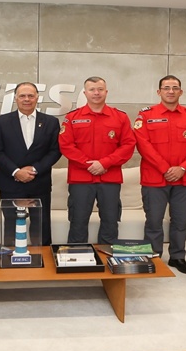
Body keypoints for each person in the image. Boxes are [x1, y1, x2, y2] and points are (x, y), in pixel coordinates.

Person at [133, 75, 186, 274]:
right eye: (166, 88)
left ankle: (178, 257)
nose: (171, 91)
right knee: (154, 221)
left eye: (175, 88)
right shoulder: (146, 115)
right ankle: (154, 257)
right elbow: (143, 145)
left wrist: (182, 168)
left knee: (180, 222)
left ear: (181, 91)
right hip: (154, 178)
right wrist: (165, 168)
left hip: (185, 179)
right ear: (159, 92)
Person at [58, 76, 136, 244]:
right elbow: (66, 145)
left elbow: (128, 144)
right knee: (78, 221)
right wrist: (89, 164)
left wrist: (104, 163)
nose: (96, 93)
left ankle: (106, 256)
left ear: (106, 92)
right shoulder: (72, 117)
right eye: (92, 89)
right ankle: (77, 256)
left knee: (110, 221)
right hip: (80, 179)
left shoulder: (120, 117)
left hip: (110, 178)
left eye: (100, 89)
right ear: (85, 93)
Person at [0, 82, 62, 246]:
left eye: (31, 95)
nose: (26, 99)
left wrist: (35, 169)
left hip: (39, 181)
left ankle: (43, 258)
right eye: (22, 96)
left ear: (37, 98)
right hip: (10, 182)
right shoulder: (2, 121)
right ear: (15, 98)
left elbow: (55, 151)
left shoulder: (51, 122)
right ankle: (10, 256)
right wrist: (16, 171)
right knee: (11, 225)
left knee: (42, 225)